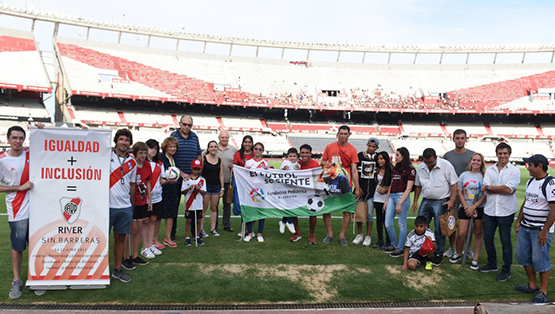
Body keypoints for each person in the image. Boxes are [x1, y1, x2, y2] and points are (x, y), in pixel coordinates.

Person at [514, 154, 555, 304]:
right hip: (526, 227)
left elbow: (554, 209)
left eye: (530, 165)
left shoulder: (550, 184)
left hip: (539, 230)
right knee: (523, 256)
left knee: (540, 259)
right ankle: (532, 285)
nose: (528, 168)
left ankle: (543, 291)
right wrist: (519, 220)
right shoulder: (531, 181)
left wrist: (545, 230)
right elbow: (527, 202)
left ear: (539, 166)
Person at [1, 126, 35, 298]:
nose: (18, 141)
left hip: (37, 209)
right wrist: (19, 188)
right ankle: (17, 280)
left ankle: (35, 278)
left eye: (21, 138)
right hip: (17, 209)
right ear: (8, 139)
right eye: (14, 138)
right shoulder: (2, 160)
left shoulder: (31, 155)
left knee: (35, 244)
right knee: (18, 246)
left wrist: (41, 130)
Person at [479, 142, 520, 282]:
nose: (502, 156)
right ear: (496, 154)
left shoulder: (514, 170)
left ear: (509, 154)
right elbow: (483, 188)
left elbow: (509, 190)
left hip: (506, 211)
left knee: (505, 241)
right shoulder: (490, 170)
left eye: (505, 153)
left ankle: (506, 270)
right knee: (488, 239)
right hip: (489, 210)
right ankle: (492, 264)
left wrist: (490, 187)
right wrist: (496, 188)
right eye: (500, 153)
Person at [411, 148, 458, 265]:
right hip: (426, 200)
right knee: (420, 226)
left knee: (439, 229)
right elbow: (417, 185)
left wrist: (452, 200)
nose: (428, 165)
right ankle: (421, 250)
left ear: (436, 158)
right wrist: (416, 200)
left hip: (441, 201)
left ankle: (438, 253)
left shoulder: (446, 165)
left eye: (430, 162)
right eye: (426, 162)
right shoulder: (421, 167)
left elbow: (454, 183)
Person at [320, 125, 362, 246]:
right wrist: (330, 164)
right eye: (341, 133)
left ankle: (342, 235)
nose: (343, 136)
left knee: (347, 210)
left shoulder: (352, 150)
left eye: (345, 133)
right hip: (330, 184)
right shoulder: (330, 147)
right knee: (327, 209)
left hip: (345, 184)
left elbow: (354, 170)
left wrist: (357, 188)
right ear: (337, 134)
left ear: (349, 135)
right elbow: (322, 162)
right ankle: (329, 234)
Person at [109, 128, 136, 283]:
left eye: (126, 140)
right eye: (121, 139)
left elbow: (132, 185)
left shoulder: (132, 162)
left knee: (120, 238)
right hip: (106, 206)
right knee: (101, 239)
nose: (124, 143)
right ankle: (97, 270)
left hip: (124, 206)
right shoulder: (107, 156)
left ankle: (117, 269)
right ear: (116, 141)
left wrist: (131, 203)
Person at [450, 153, 486, 269]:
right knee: (461, 233)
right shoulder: (464, 175)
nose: (476, 162)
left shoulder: (484, 176)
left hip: (479, 208)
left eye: (478, 160)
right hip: (465, 207)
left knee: (478, 233)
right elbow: (459, 191)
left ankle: (475, 259)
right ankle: (459, 253)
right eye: (474, 160)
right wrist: (466, 206)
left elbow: (485, 194)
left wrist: (474, 206)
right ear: (471, 161)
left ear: (482, 162)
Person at [443, 129, 475, 258]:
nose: (460, 140)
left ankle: (467, 248)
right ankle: (451, 248)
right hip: (452, 195)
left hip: (469, 196)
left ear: (466, 139)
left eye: (462, 138)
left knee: (470, 224)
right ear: (453, 139)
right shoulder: (447, 156)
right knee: (451, 222)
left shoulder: (472, 155)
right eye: (457, 138)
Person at [170, 115, 202, 240]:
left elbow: (199, 154)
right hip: (177, 179)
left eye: (189, 125)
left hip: (193, 178)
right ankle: (172, 233)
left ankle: (195, 234)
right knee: (174, 206)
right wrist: (181, 173)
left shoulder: (194, 137)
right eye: (184, 124)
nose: (187, 127)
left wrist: (198, 173)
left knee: (194, 206)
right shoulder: (173, 136)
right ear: (180, 124)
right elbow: (170, 157)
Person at [383, 147, 415, 256]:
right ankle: (394, 244)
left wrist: (400, 203)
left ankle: (400, 248)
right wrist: (387, 200)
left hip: (402, 197)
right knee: (387, 223)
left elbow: (409, 188)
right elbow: (391, 185)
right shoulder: (396, 168)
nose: (395, 157)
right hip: (392, 196)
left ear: (403, 156)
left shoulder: (411, 169)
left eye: (397, 155)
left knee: (402, 223)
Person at [129, 142, 153, 264]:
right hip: (132, 201)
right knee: (132, 229)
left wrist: (149, 199)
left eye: (145, 153)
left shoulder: (147, 165)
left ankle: (135, 255)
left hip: (143, 200)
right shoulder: (131, 165)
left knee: (139, 228)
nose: (143, 155)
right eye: (140, 153)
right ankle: (127, 255)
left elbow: (148, 182)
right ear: (135, 153)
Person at [353, 137, 378, 246]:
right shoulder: (360, 156)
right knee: (359, 213)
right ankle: (359, 234)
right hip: (360, 190)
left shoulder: (378, 158)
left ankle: (368, 236)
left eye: (373, 147)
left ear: (376, 148)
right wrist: (358, 187)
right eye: (369, 146)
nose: (371, 148)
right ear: (367, 145)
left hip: (372, 191)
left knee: (369, 214)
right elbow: (355, 173)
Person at [243, 142, 270, 242]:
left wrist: (268, 170)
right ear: (253, 150)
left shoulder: (265, 164)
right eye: (256, 149)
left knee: (261, 212)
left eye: (260, 149)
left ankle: (260, 233)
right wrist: (246, 170)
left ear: (262, 151)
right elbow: (244, 176)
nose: (257, 151)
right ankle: (250, 233)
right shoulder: (248, 163)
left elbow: (269, 178)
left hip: (262, 191)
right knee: (250, 211)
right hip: (251, 191)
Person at [295, 144, 321, 244]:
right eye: (302, 153)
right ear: (299, 153)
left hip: (311, 193)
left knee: (313, 213)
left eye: (307, 153)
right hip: (299, 192)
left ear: (310, 154)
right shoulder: (297, 164)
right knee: (294, 211)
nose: (304, 155)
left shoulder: (315, 165)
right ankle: (297, 232)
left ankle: (311, 234)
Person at [146, 139, 168, 252]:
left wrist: (169, 180)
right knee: (145, 222)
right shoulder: (142, 163)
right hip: (145, 198)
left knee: (153, 220)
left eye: (155, 149)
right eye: (151, 148)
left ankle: (151, 244)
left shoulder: (160, 164)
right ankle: (146, 246)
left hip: (157, 196)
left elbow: (161, 180)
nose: (153, 151)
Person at [159, 137, 180, 248]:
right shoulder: (161, 158)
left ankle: (168, 238)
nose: (173, 149)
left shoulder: (174, 158)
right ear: (165, 147)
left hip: (172, 188)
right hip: (162, 188)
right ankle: (154, 239)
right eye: (170, 146)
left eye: (174, 147)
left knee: (171, 213)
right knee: (158, 215)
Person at [201, 140, 224, 237]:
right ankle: (201, 229)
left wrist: (222, 188)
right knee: (203, 209)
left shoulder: (219, 160)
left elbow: (221, 175)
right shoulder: (203, 159)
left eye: (215, 146)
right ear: (208, 148)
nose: (213, 148)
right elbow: (200, 173)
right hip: (206, 187)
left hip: (216, 187)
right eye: (211, 146)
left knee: (214, 208)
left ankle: (213, 229)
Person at [181, 159, 207, 246]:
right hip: (189, 204)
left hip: (199, 204)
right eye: (194, 169)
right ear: (191, 168)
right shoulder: (186, 179)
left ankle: (197, 236)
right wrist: (189, 188)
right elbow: (183, 191)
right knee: (188, 221)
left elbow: (204, 192)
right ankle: (187, 237)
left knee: (198, 221)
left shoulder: (202, 180)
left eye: (198, 169)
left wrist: (199, 190)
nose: (196, 171)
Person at [216, 129, 237, 232]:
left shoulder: (233, 149)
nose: (224, 139)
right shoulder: (213, 148)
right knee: (214, 205)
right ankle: (213, 225)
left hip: (229, 181)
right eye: (222, 137)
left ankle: (226, 224)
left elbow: (238, 163)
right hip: (215, 181)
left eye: (226, 137)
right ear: (219, 138)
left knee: (227, 204)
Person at [372, 151, 392, 250]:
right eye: (378, 159)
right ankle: (380, 240)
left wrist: (386, 189)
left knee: (387, 220)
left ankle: (389, 240)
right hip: (377, 197)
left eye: (381, 159)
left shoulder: (391, 170)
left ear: (386, 159)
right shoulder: (376, 169)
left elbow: (393, 184)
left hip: (387, 198)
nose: (379, 161)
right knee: (379, 219)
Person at [279, 147, 299, 236]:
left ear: (297, 156)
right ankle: (290, 222)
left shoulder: (298, 164)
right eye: (290, 156)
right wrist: (283, 170)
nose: (292, 158)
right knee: (288, 205)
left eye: (294, 156)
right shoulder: (285, 163)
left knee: (291, 205)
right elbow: (280, 172)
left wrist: (299, 170)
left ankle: (283, 222)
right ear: (287, 156)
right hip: (286, 188)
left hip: (294, 188)